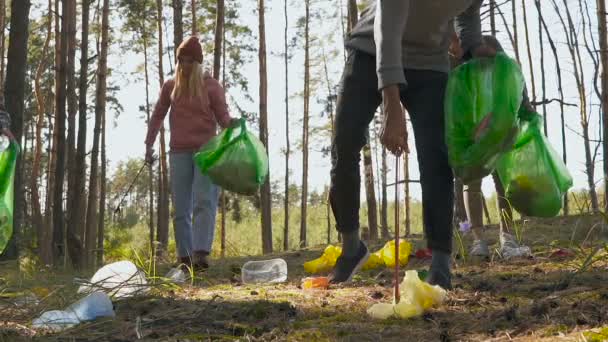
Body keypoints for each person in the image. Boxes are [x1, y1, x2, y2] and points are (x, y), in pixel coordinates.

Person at [328, 0, 495, 290]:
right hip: (372, 48)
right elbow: (388, 27)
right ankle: (352, 245)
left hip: (430, 62)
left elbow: (467, 16)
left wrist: (474, 48)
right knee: (345, 141)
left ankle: (441, 263)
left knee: (437, 158)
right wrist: (392, 104)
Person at [144, 36, 238, 270]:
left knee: (204, 201)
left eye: (189, 61)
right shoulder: (170, 87)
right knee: (182, 206)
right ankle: (184, 257)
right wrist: (149, 143)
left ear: (197, 63)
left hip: (207, 152)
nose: (184, 65)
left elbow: (223, 117)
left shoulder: (211, 86)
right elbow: (157, 115)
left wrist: (233, 124)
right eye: (181, 60)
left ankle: (200, 254)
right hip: (179, 153)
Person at [449, 34, 533, 260]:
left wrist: (527, 109)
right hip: (472, 134)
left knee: (503, 183)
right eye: (479, 56)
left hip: (502, 132)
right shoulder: (462, 70)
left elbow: (519, 91)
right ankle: (478, 240)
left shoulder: (506, 69)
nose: (484, 61)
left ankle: (507, 237)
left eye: (489, 56)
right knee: (471, 183)